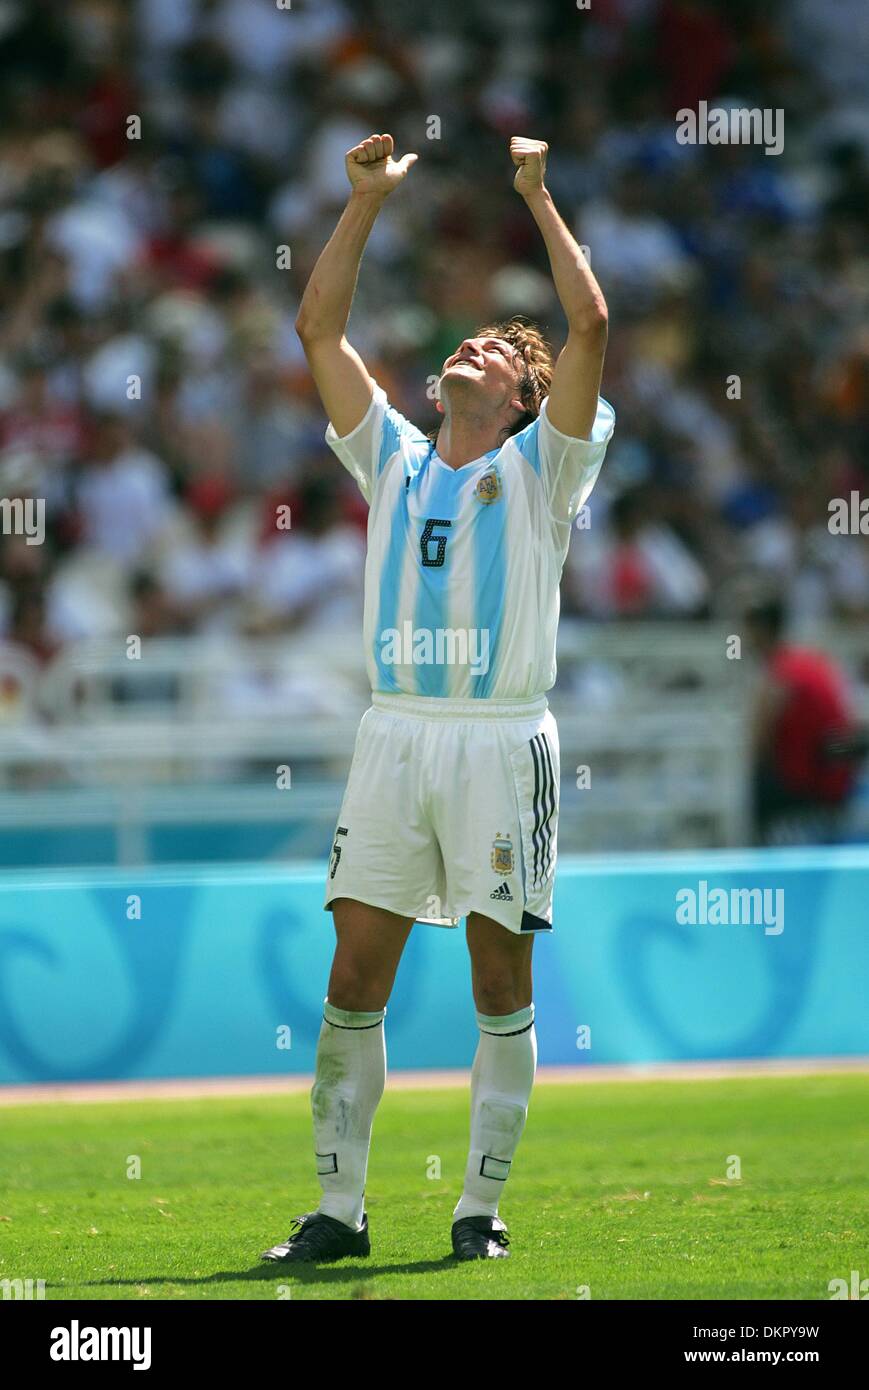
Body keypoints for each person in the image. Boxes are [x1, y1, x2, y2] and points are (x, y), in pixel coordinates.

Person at [262, 133, 614, 1265]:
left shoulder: (540, 470)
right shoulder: (395, 459)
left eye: (498, 353)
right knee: (352, 976)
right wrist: (361, 201)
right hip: (394, 736)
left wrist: (537, 197)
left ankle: (477, 1210)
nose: (471, 348)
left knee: (497, 978)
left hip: (500, 739)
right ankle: (336, 1212)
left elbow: (592, 326)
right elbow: (316, 329)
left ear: (522, 399)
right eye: (462, 341)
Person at [745, 595, 859, 844]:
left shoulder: (780, 674)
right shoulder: (811, 661)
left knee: (752, 782)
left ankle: (756, 871)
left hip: (814, 786)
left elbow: (758, 741)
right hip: (836, 780)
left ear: (760, 630)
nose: (741, 639)